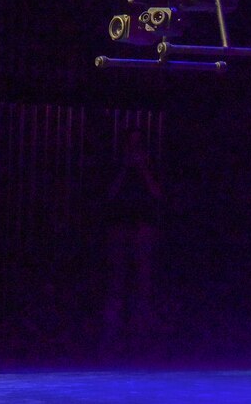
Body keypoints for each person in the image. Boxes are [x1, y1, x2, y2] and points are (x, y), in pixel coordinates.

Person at [101, 127, 165, 362]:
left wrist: (143, 169)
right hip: (120, 228)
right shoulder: (118, 167)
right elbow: (109, 195)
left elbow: (158, 195)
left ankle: (141, 340)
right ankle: (112, 340)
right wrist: (126, 168)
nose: (134, 151)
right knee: (117, 283)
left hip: (144, 229)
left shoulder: (151, 168)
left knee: (143, 284)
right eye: (131, 145)